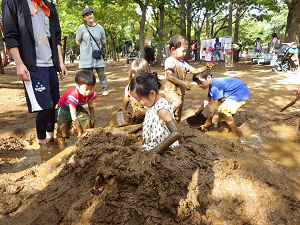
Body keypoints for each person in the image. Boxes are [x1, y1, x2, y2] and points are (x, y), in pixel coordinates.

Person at [2, 0, 68, 149]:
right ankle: (42, 144)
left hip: (51, 64)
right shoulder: (13, 2)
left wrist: (61, 63)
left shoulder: (49, 6)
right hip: (33, 65)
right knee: (44, 106)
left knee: (53, 104)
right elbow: (10, 35)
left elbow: (56, 38)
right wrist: (19, 63)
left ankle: (51, 138)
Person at [128, 71, 181, 162]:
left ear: (152, 93)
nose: (139, 103)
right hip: (153, 143)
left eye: (140, 99)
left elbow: (176, 133)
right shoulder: (150, 103)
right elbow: (151, 120)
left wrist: (154, 151)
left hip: (164, 148)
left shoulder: (161, 109)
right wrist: (135, 129)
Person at [164, 34, 213, 122]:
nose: (185, 54)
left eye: (186, 51)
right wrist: (182, 83)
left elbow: (194, 70)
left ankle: (175, 126)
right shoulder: (169, 61)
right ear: (173, 50)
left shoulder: (183, 63)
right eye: (183, 51)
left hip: (180, 90)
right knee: (177, 102)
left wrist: (205, 67)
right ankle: (164, 118)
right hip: (171, 89)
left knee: (178, 112)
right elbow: (168, 75)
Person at [193, 70, 251, 136]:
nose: (200, 85)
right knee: (223, 117)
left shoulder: (215, 86)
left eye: (201, 82)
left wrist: (209, 119)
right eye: (198, 84)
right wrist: (198, 112)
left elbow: (214, 105)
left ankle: (237, 132)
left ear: (209, 78)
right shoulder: (212, 85)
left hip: (240, 93)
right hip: (234, 94)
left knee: (222, 110)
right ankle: (225, 131)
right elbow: (207, 100)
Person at [56, 70, 98, 150]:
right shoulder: (74, 95)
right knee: (62, 128)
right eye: (86, 89)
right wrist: (79, 130)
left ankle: (86, 143)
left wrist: (92, 117)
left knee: (86, 120)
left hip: (77, 106)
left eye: (91, 88)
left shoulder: (91, 93)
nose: (88, 92)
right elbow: (73, 116)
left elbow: (90, 104)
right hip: (65, 108)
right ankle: (61, 149)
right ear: (77, 86)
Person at [76, 8, 109, 96]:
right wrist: (86, 48)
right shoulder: (81, 28)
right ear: (84, 18)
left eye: (91, 14)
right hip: (86, 56)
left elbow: (102, 41)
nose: (90, 16)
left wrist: (96, 49)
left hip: (97, 56)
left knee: (101, 74)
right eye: (87, 15)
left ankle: (105, 89)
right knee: (87, 76)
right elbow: (78, 41)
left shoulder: (100, 27)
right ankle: (89, 91)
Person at [120, 59, 151, 124]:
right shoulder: (128, 89)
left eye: (141, 77)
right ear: (131, 75)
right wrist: (123, 110)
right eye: (135, 77)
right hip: (135, 120)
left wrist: (143, 112)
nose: (137, 80)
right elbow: (124, 105)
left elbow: (154, 108)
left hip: (149, 119)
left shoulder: (150, 88)